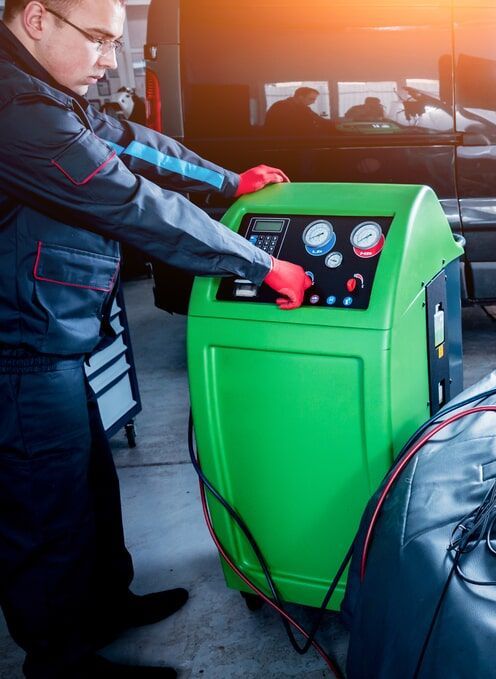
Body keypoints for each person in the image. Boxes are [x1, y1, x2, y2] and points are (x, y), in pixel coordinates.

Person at [0, 1, 312, 677]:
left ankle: (107, 604)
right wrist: (259, 263)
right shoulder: (16, 110)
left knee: (88, 482)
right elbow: (132, 200)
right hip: (17, 350)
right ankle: (60, 662)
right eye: (100, 40)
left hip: (53, 336)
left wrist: (233, 182)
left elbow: (136, 143)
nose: (111, 59)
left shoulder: (49, 95)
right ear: (35, 19)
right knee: (44, 511)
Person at [264, 85, 330, 134]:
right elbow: (296, 128)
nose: (313, 102)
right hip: (284, 144)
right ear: (300, 97)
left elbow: (319, 119)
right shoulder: (281, 106)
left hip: (295, 142)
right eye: (311, 99)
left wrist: (337, 126)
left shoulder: (303, 107)